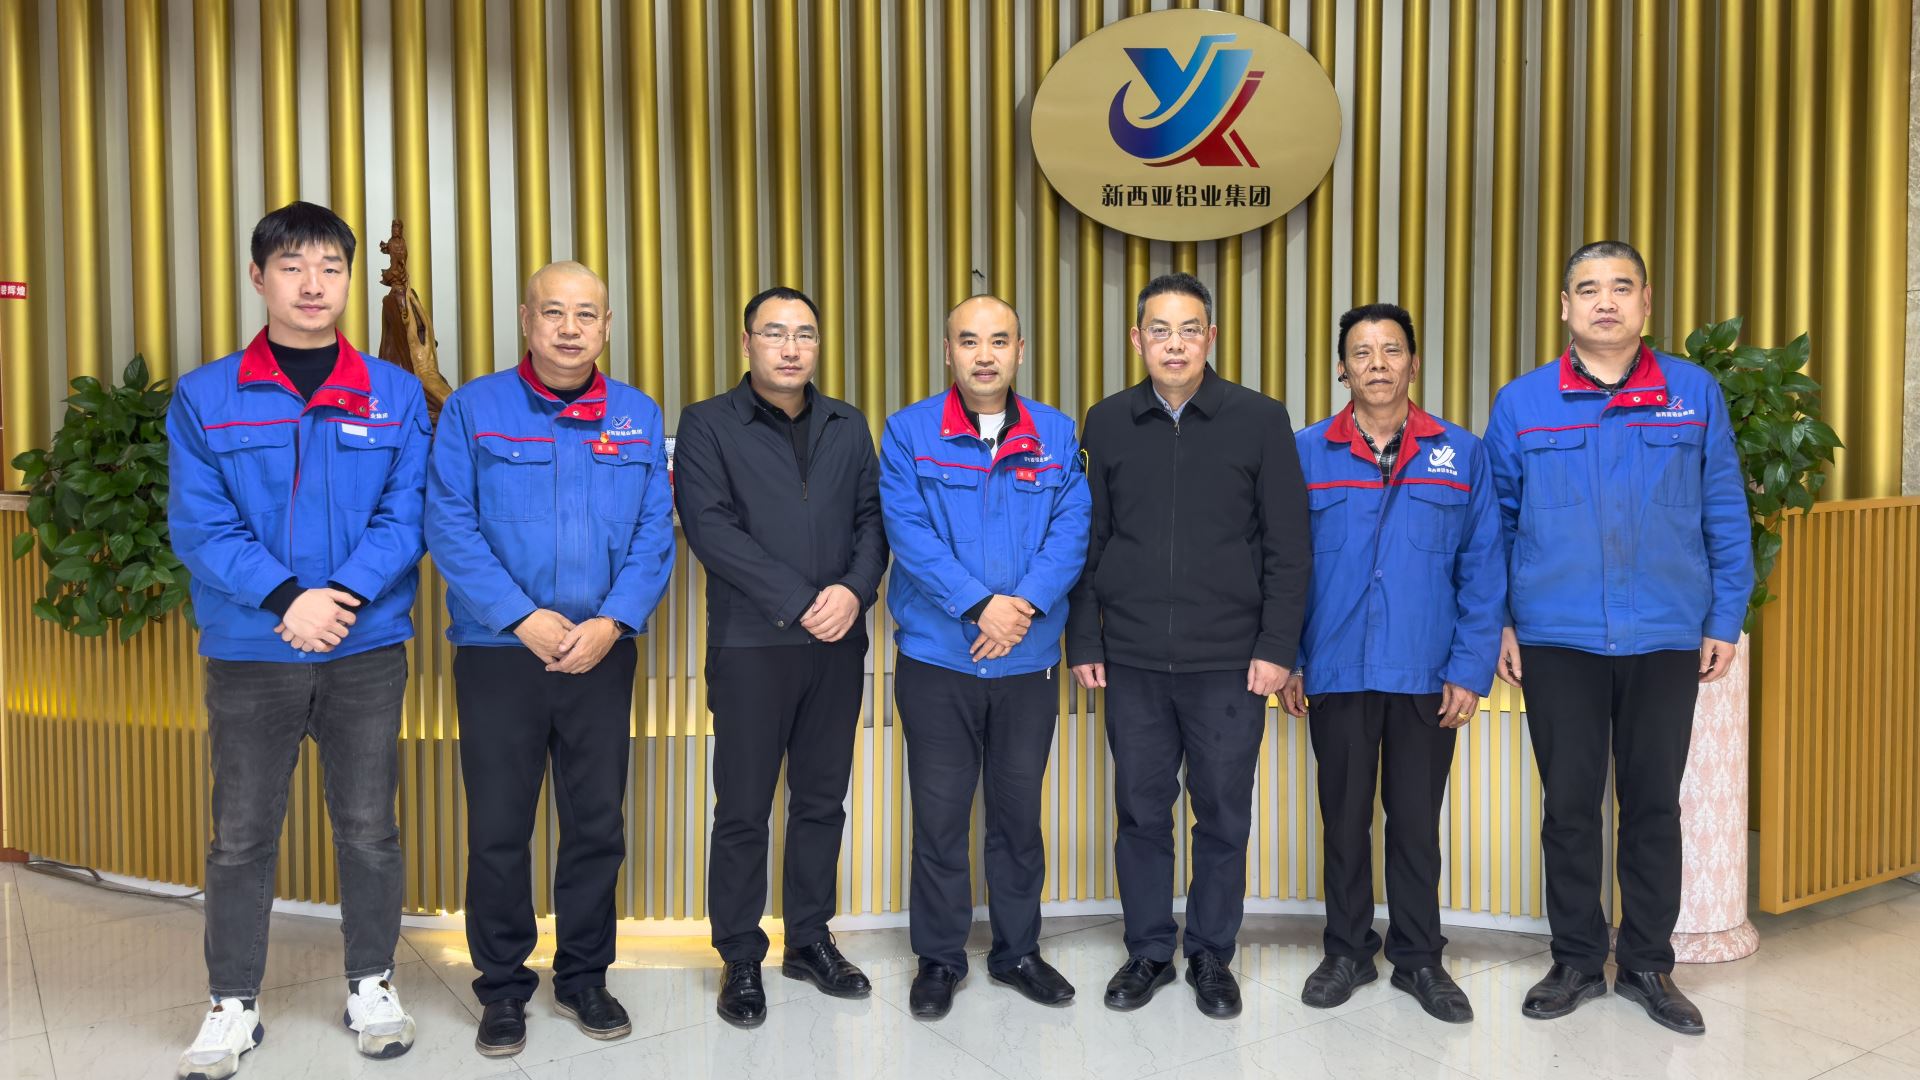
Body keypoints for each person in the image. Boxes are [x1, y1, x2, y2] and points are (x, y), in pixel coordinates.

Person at [168, 201, 429, 1079]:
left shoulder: (394, 393)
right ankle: (232, 1002)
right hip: (252, 648)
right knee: (241, 834)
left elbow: (407, 513)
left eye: (330, 267)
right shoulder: (206, 396)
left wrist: (339, 598)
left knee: (369, 827)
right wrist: (288, 599)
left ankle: (371, 983)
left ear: (350, 279)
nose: (313, 284)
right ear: (258, 277)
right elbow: (200, 525)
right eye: (292, 266)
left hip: (363, 645)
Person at [1484, 240, 1750, 1036]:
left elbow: (1724, 509)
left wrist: (1723, 618)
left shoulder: (1692, 394)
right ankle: (1574, 959)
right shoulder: (1523, 402)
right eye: (1589, 288)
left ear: (1645, 303)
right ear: (1565, 306)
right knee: (1569, 807)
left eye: (1621, 287)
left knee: (1652, 806)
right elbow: (1494, 523)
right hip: (1556, 636)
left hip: (1665, 633)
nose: (1606, 301)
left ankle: (1645, 964)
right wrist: (1501, 620)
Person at [425, 261, 675, 1057]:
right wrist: (519, 617)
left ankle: (584, 976)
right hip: (500, 653)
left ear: (607, 326)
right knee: (499, 827)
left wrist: (613, 621)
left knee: (596, 824)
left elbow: (654, 533)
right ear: (527, 319)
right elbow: (449, 523)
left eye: (587, 314)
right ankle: (502, 986)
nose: (571, 329)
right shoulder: (474, 409)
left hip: (602, 652)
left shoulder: (636, 416)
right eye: (554, 312)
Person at [1066, 272, 1312, 1019]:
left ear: (1212, 337)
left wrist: (1277, 646)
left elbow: (1289, 546)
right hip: (1132, 659)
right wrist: (1084, 636)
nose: (1175, 344)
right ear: (1136, 339)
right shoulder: (1106, 421)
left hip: (1230, 662)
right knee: (1141, 813)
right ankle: (1148, 949)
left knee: (1223, 816)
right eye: (1160, 330)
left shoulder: (1260, 419)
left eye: (1189, 329)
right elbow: (1088, 539)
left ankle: (1210, 952)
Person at [1281, 303, 1504, 1024]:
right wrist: (1289, 658)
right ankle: (1346, 950)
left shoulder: (1461, 453)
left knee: (1414, 824)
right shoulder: (1305, 453)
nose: (1377, 364)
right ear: (1341, 369)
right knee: (1343, 823)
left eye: (1391, 350)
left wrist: (1469, 668)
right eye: (1362, 352)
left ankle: (1419, 958)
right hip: (1336, 668)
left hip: (1424, 672)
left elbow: (1483, 568)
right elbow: (1282, 565)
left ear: (1414, 362)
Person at [675, 286, 889, 1028]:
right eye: (775, 333)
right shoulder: (707, 423)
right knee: (742, 808)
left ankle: (808, 939)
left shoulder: (848, 425)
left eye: (805, 334)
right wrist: (802, 599)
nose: (791, 348)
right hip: (752, 643)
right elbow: (711, 528)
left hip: (837, 643)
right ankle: (740, 953)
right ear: (747, 344)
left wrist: (853, 593)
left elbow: (873, 520)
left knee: (822, 801)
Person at [879, 295, 1092, 1020]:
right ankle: (939, 959)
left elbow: (1072, 530)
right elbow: (908, 532)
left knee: (1017, 819)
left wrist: (1021, 606)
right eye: (969, 341)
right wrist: (979, 606)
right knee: (940, 821)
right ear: (948, 351)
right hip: (939, 661)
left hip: (1025, 665)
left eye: (999, 341)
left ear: (1019, 351)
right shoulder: (908, 432)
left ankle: (1017, 952)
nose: (984, 355)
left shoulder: (1056, 434)